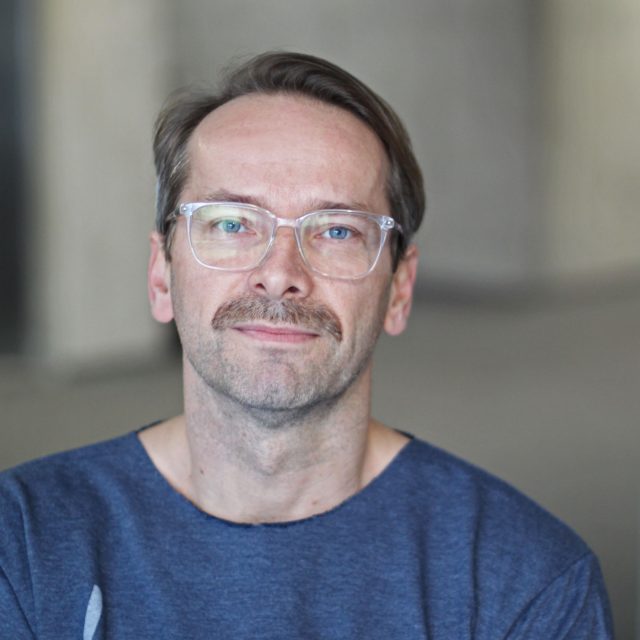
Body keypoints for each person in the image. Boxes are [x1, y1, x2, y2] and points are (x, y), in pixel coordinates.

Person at [0, 51, 613, 639]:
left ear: (399, 290)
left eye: (338, 231)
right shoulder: (20, 546)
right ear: (161, 276)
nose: (279, 274)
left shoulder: (526, 582)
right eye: (232, 223)